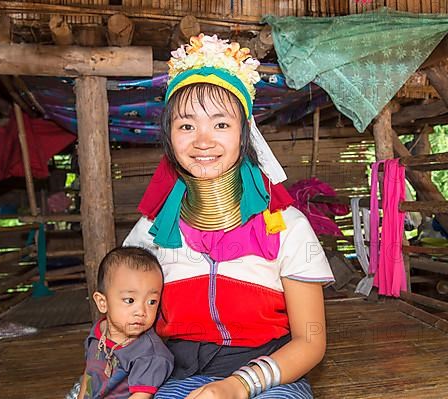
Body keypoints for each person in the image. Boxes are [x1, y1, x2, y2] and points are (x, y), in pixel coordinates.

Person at [123, 34, 335, 399]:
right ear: (169, 137)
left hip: (267, 376)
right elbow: (123, 321)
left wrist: (238, 386)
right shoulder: (149, 234)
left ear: (244, 135)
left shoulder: (289, 228)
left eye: (221, 125)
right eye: (186, 126)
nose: (202, 141)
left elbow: (311, 341)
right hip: (169, 375)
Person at [76, 246, 174, 399]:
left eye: (152, 302)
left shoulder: (150, 355)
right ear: (103, 302)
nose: (141, 311)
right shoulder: (98, 332)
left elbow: (140, 396)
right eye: (130, 300)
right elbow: (89, 374)